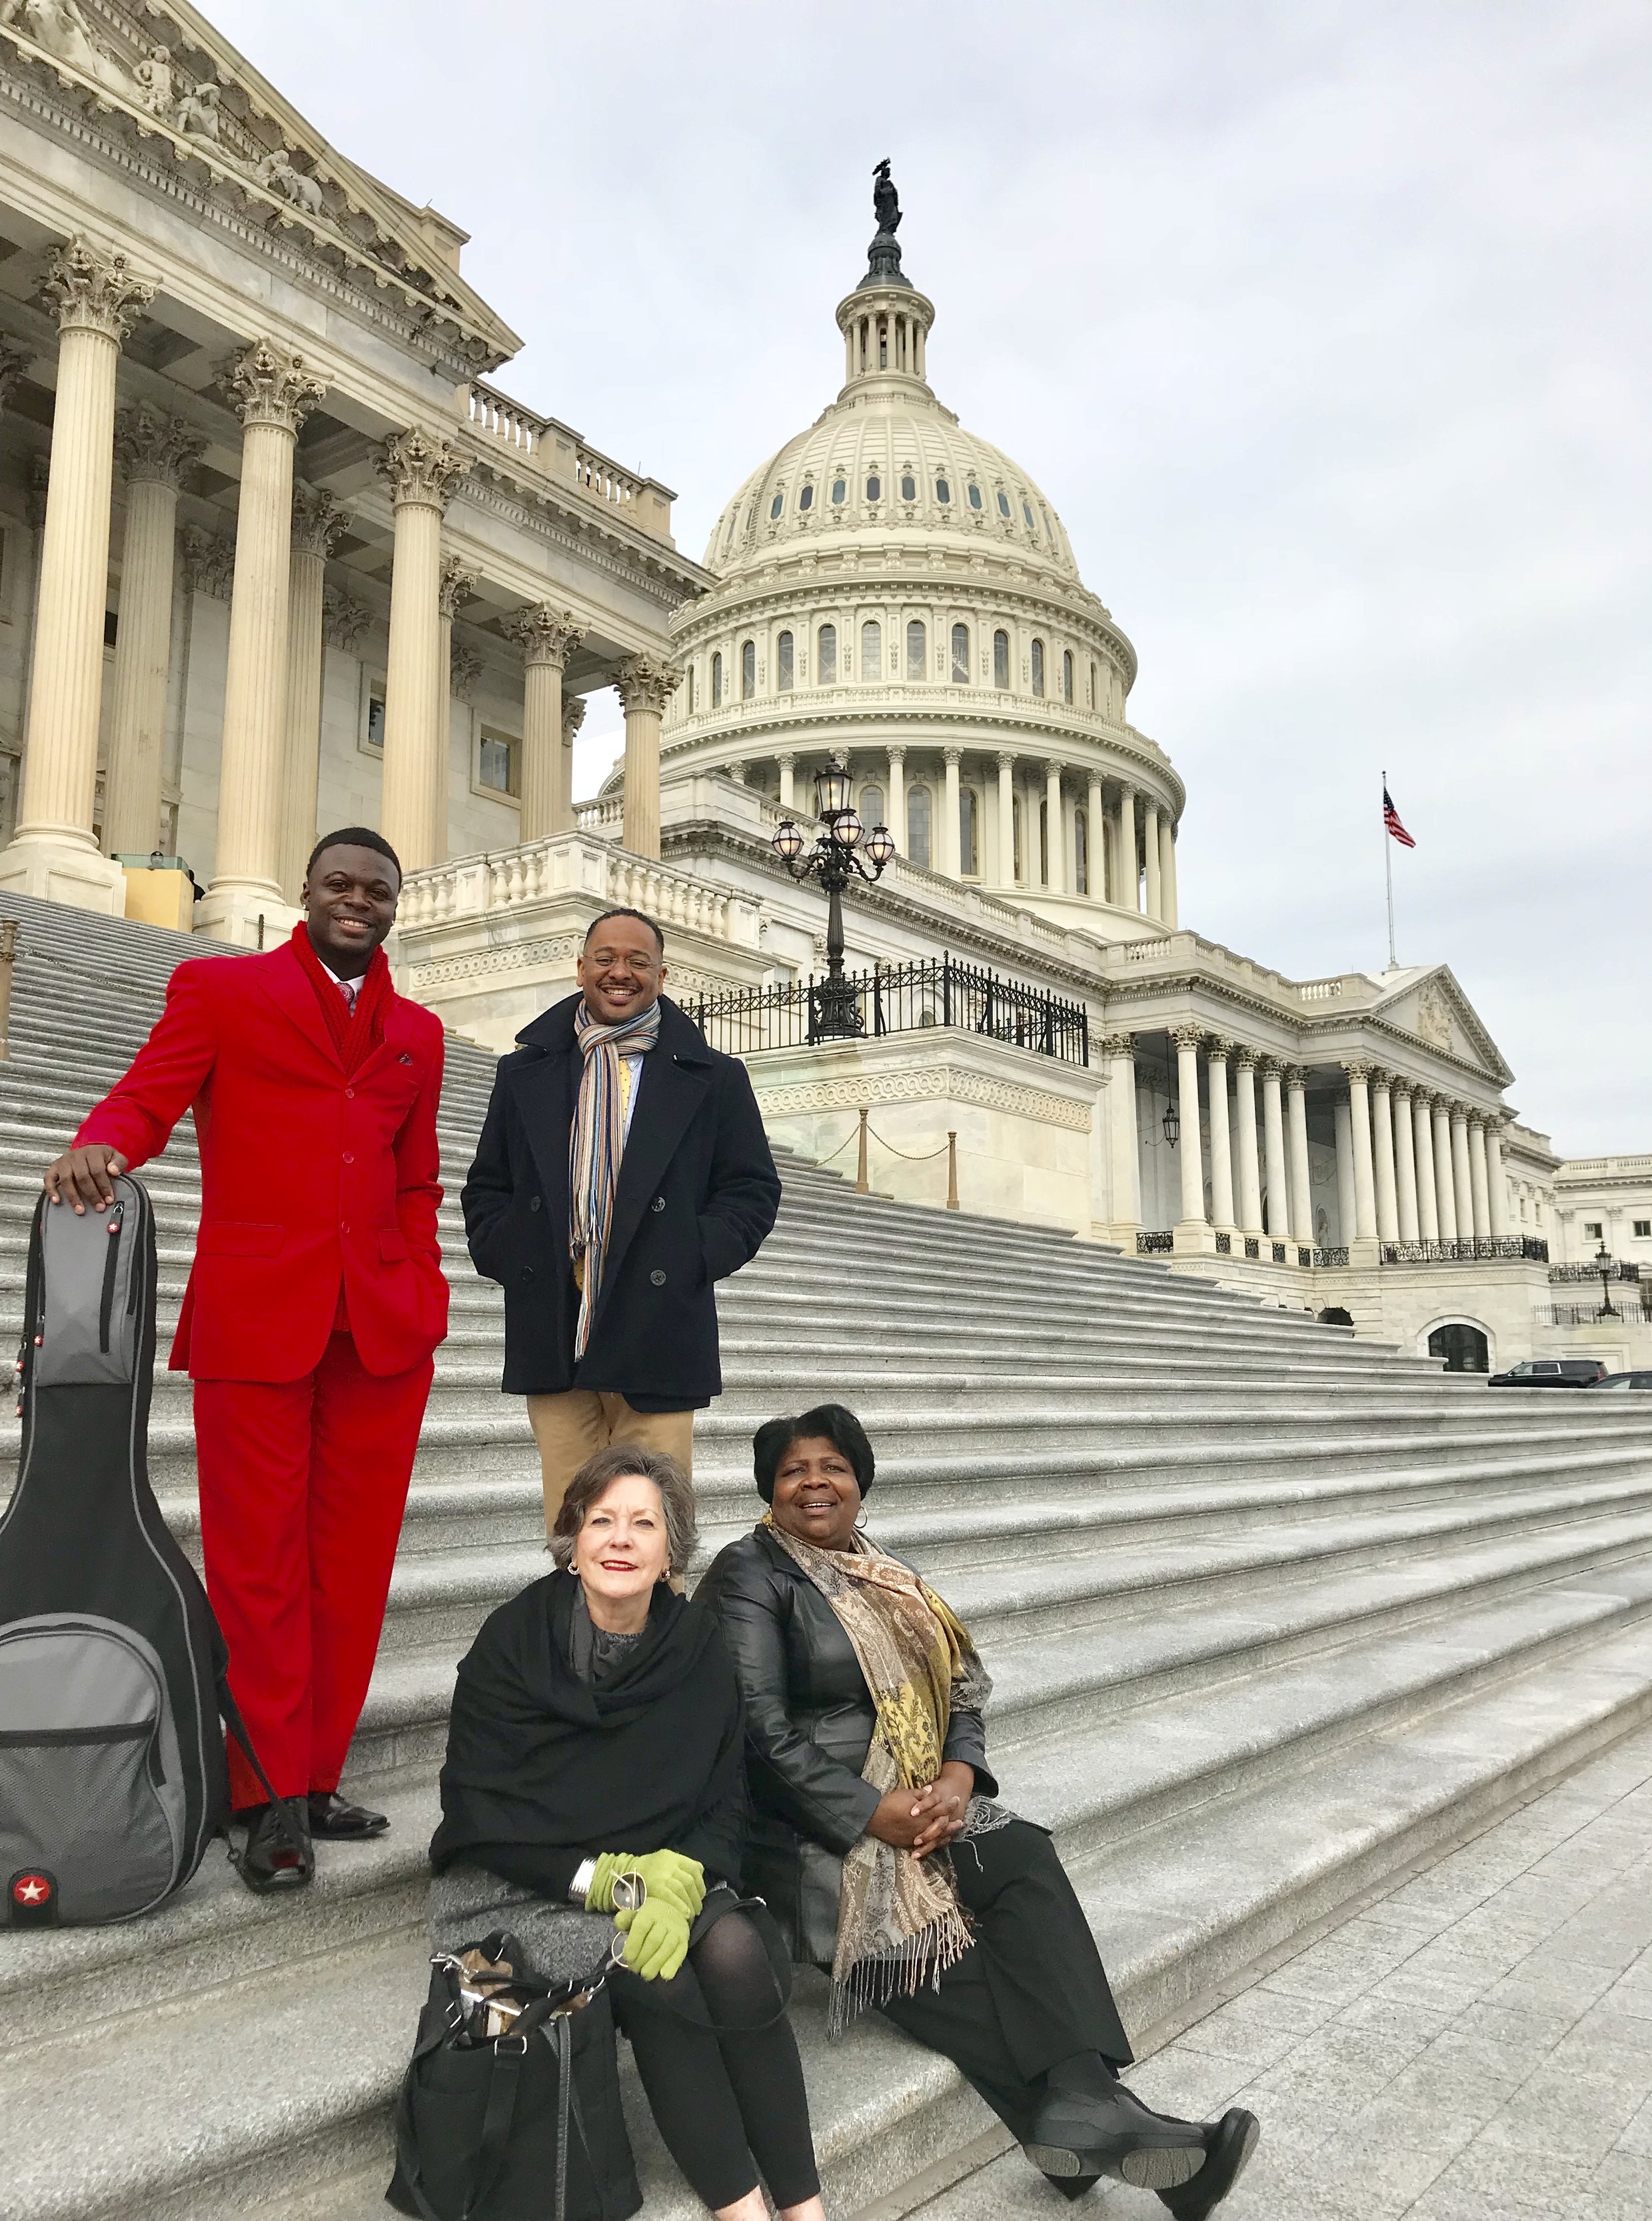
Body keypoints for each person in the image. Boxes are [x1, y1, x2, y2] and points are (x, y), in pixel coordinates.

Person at [698, 1405, 1261, 2219]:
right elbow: (758, 1734)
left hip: (928, 1796)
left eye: (833, 1468)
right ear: (768, 1488)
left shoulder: (887, 1570)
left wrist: (960, 1777)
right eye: (793, 1471)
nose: (815, 1483)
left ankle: (1081, 2107)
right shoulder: (746, 1575)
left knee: (1023, 1853)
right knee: (931, 1947)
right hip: (808, 1833)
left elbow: (959, 1687)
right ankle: (1094, 2128)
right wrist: (870, 1812)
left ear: (861, 1484)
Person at [42, 829, 447, 1892]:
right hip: (256, 1318)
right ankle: (261, 1792)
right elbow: (148, 1096)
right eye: (339, 885)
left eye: (377, 889)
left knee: (352, 1570)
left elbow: (416, 1179)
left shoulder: (418, 1031)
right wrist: (103, 1143)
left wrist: (424, 1285)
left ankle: (314, 1778)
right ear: (305, 895)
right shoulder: (219, 991)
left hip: (381, 1332)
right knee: (258, 1564)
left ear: (395, 905)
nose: (358, 901)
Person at [429, 1445, 826, 2221]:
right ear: (572, 1541)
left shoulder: (696, 1647)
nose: (620, 1538)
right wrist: (601, 1882)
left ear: (670, 1551)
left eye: (643, 1523)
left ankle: (805, 2207)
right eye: (601, 1520)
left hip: (658, 1863)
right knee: (652, 1968)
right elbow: (479, 1813)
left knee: (736, 1949)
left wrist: (676, 1879)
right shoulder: (512, 1642)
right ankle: (740, 2207)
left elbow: (724, 1800)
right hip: (527, 1882)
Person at [461, 906, 780, 1533]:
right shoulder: (523, 1069)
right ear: (580, 968)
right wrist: (511, 1254)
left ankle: (657, 1633)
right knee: (572, 1522)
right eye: (605, 957)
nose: (620, 972)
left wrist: (691, 1254)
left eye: (638, 961)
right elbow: (488, 1186)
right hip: (555, 1319)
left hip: (658, 1324)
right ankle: (576, 1633)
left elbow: (751, 1190)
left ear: (662, 975)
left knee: (651, 1524)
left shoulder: (715, 1078)